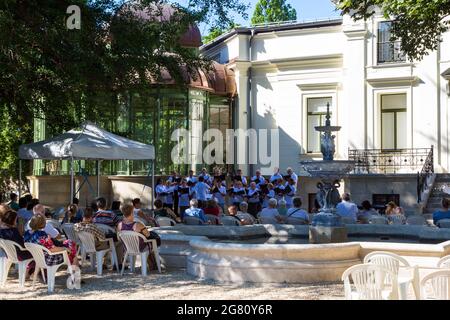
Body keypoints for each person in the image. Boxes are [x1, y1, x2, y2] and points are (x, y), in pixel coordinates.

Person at [118, 204, 161, 270]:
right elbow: (148, 235)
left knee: (149, 243)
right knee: (153, 241)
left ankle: (150, 264)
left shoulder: (120, 225)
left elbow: (119, 237)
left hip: (128, 248)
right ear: (132, 212)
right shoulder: (138, 224)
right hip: (141, 248)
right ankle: (153, 265)